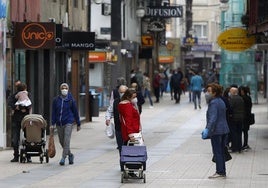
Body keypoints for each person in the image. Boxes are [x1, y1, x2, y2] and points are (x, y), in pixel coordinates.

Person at [202, 83, 230, 179]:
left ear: (214, 93)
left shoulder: (213, 103)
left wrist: (207, 129)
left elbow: (213, 118)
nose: (207, 93)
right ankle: (222, 171)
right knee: (221, 151)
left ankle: (220, 171)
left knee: (217, 151)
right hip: (224, 129)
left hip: (216, 131)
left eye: (209, 91)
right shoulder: (220, 101)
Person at [51, 83, 81, 166]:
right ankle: (70, 155)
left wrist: (78, 123)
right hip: (59, 123)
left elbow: (75, 112)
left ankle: (63, 158)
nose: (64, 90)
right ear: (60, 90)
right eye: (63, 88)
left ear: (68, 89)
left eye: (66, 88)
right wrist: (52, 123)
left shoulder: (71, 100)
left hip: (68, 122)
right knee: (62, 141)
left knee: (66, 140)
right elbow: (53, 112)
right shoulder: (56, 100)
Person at [8, 80, 32, 162]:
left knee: (28, 138)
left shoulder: (27, 94)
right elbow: (11, 103)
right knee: (15, 139)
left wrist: (20, 107)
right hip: (17, 119)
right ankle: (16, 155)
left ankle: (28, 156)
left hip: (25, 119)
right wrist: (19, 108)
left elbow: (29, 105)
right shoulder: (14, 96)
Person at [105, 85, 128, 153]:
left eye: (124, 92)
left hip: (128, 129)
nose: (122, 94)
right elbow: (110, 111)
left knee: (128, 146)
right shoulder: (115, 102)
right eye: (121, 92)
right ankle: (122, 161)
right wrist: (108, 118)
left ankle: (128, 161)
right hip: (119, 127)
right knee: (120, 147)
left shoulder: (131, 101)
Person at [228, 87, 245, 153]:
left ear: (233, 92)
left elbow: (230, 108)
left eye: (230, 91)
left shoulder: (232, 99)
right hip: (241, 118)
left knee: (234, 133)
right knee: (239, 133)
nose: (230, 93)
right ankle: (239, 147)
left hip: (234, 118)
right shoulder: (241, 98)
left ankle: (234, 147)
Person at [238, 86, 252, 151]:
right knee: (246, 132)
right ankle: (245, 144)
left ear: (242, 91)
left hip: (243, 117)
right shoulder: (249, 97)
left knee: (241, 131)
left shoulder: (242, 98)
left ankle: (241, 144)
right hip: (247, 116)